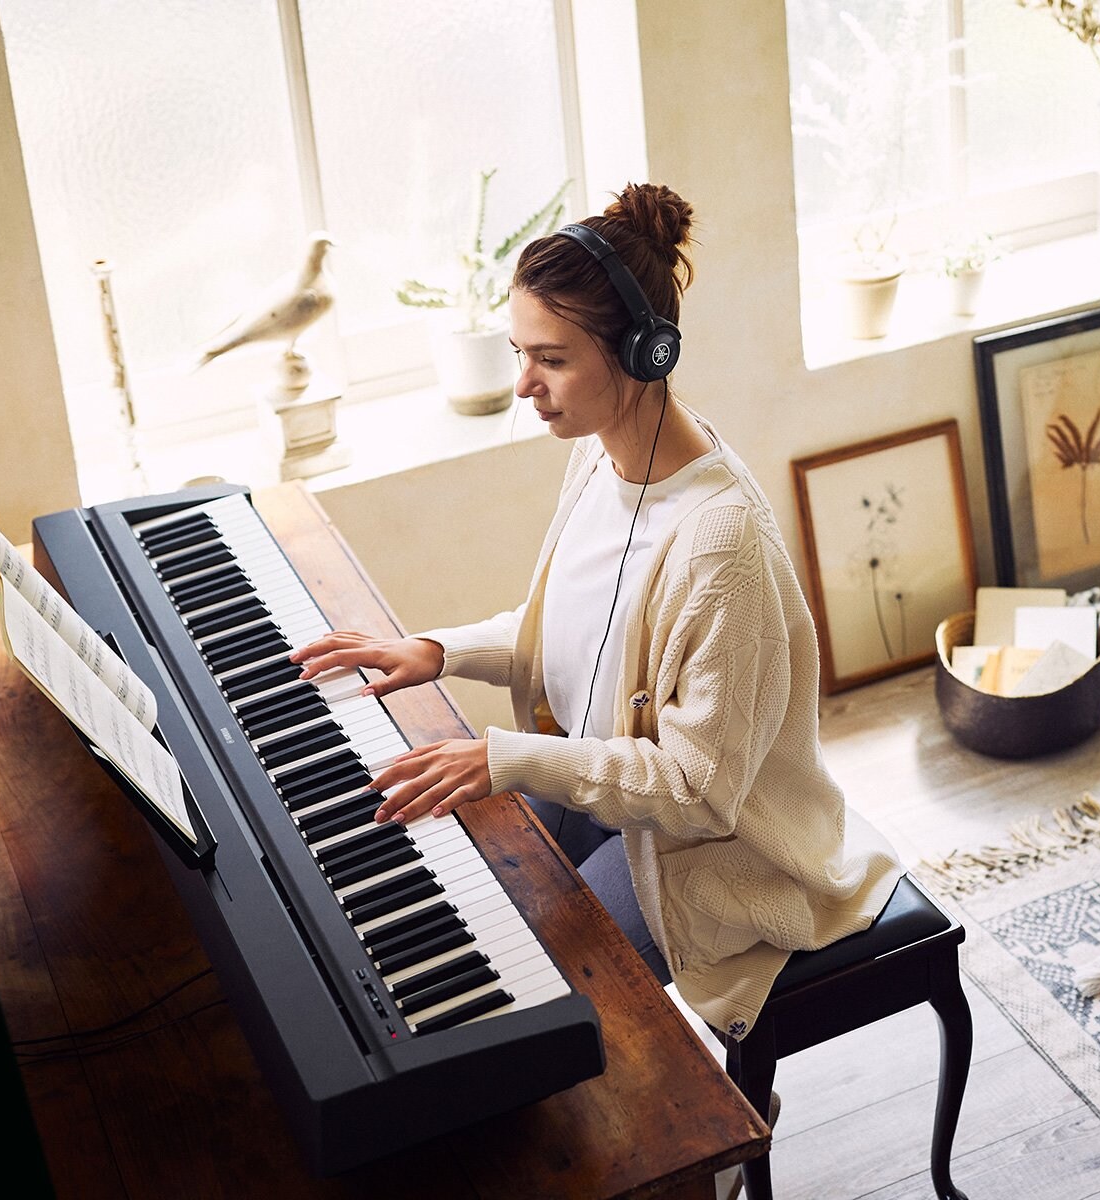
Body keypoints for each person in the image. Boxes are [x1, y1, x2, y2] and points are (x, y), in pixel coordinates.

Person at [289, 182, 902, 1042]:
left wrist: (508, 758)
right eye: (518, 352)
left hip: (709, 854)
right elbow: (576, 633)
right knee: (450, 885)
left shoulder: (719, 546)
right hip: (613, 790)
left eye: (552, 359)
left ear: (646, 355)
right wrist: (436, 650)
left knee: (535, 985)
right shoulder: (599, 458)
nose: (522, 386)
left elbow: (700, 793)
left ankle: (685, 1165)